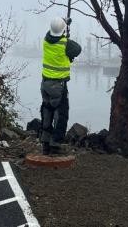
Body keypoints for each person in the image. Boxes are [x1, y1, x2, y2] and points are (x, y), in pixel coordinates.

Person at [40, 16, 81, 155]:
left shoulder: (46, 40)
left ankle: (45, 142)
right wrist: (65, 35)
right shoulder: (65, 44)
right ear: (63, 31)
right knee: (61, 114)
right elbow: (77, 49)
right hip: (58, 85)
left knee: (47, 111)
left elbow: (54, 32)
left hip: (45, 84)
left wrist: (64, 24)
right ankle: (55, 145)